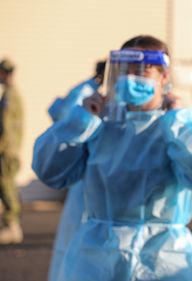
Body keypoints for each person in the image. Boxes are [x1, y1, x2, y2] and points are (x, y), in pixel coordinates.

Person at [32, 35, 192, 281]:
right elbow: (49, 170)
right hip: (97, 256)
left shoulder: (179, 127)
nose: (132, 79)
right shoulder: (99, 124)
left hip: (164, 257)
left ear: (164, 76)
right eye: (126, 71)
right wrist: (81, 121)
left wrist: (178, 123)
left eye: (142, 72)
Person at [46, 60, 105, 281]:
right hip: (85, 174)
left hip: (96, 178)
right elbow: (65, 122)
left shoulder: (86, 90)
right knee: (76, 240)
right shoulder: (87, 92)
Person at [0, 58, 24, 245]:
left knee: (6, 186)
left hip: (7, 152)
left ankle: (12, 226)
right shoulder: (10, 94)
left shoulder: (10, 96)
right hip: (9, 150)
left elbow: (7, 128)